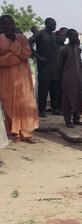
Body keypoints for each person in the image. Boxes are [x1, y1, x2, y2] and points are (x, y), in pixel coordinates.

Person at [0, 15, 39, 143]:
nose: (9, 26)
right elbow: (2, 61)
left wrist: (13, 49)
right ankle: (14, 132)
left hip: (23, 78)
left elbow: (26, 54)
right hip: (6, 77)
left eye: (11, 23)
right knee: (9, 104)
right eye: (6, 24)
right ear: (2, 26)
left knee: (26, 104)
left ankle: (26, 133)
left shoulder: (22, 38)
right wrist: (15, 55)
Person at [29, 17, 61, 117]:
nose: (54, 26)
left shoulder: (54, 36)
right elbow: (28, 42)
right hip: (44, 66)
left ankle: (54, 108)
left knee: (55, 88)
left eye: (55, 24)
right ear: (47, 24)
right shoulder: (40, 34)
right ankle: (41, 110)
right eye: (52, 24)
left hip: (54, 66)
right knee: (43, 89)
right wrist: (37, 56)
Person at [57, 29, 82, 128]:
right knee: (68, 99)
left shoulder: (78, 49)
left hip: (77, 78)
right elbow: (60, 66)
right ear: (69, 37)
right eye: (74, 36)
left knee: (78, 97)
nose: (76, 38)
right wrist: (62, 79)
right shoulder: (64, 49)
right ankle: (68, 120)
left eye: (77, 36)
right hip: (68, 78)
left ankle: (76, 119)